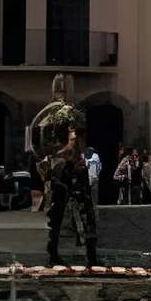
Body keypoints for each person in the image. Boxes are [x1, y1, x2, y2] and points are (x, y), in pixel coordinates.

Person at [30, 74, 93, 267]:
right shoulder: (67, 114)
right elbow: (73, 142)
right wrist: (68, 156)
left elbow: (36, 142)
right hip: (65, 170)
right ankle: (79, 254)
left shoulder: (46, 115)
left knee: (59, 216)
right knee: (76, 213)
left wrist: (48, 160)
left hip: (56, 170)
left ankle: (59, 253)